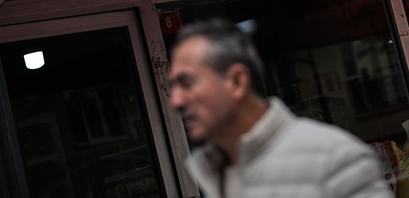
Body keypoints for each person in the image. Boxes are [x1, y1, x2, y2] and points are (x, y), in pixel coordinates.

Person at [168, 18, 393, 198]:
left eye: (187, 83)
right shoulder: (215, 171)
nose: (175, 101)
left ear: (237, 82)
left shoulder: (333, 157)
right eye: (173, 86)